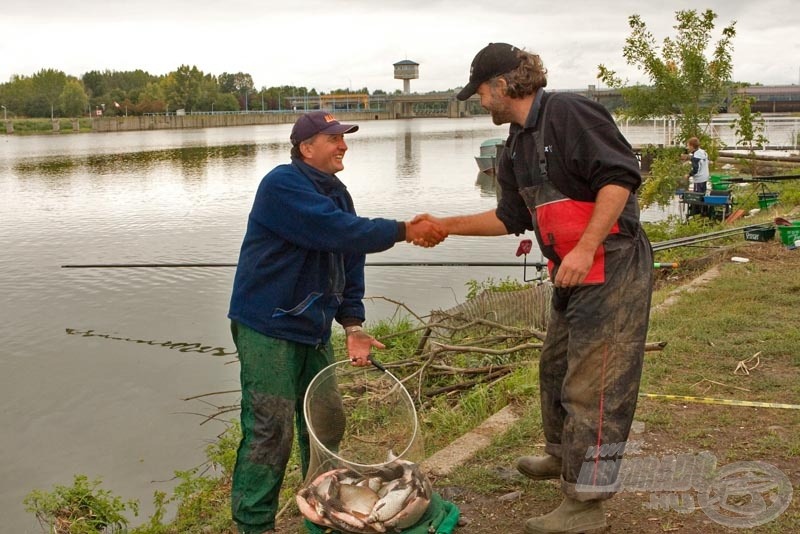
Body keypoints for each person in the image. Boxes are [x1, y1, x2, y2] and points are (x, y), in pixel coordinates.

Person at [416, 43, 654, 533]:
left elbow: (620, 178)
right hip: (572, 272)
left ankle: (586, 505)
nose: (480, 102)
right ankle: (561, 456)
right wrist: (445, 224)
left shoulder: (568, 112)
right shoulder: (516, 145)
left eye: (481, 92)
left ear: (503, 85)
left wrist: (586, 247)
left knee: (596, 386)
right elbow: (510, 218)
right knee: (555, 367)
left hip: (611, 263)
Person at [227, 110, 447, 534]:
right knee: (270, 431)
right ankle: (253, 524)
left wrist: (353, 324)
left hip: (310, 328)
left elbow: (350, 255)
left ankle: (320, 500)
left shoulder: (337, 193)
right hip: (267, 326)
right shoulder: (282, 185)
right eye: (333, 138)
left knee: (328, 421)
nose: (343, 144)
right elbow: (339, 231)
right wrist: (405, 229)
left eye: (343, 137)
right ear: (307, 148)